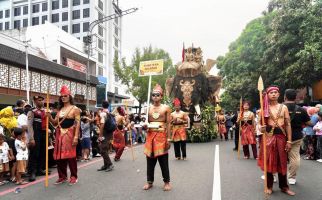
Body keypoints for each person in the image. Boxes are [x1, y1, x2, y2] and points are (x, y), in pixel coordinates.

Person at [258, 86, 295, 196]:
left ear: (279, 94)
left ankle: (284, 186)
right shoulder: (263, 108)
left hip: (281, 138)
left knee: (282, 161)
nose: (273, 94)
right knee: (269, 161)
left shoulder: (284, 108)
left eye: (275, 92)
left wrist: (289, 141)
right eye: (271, 92)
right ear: (267, 95)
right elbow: (260, 126)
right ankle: (269, 186)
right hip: (269, 138)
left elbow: (288, 125)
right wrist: (262, 128)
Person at [47, 85, 81, 185]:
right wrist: (49, 117)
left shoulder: (75, 109)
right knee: (59, 157)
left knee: (71, 157)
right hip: (59, 135)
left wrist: (75, 136)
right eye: (62, 96)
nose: (63, 97)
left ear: (69, 96)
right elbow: (54, 123)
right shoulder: (60, 110)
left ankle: (74, 176)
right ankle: (62, 176)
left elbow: (77, 123)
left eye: (65, 96)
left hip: (69, 134)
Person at [143, 84, 171, 191]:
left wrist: (168, 139)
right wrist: (145, 126)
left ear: (161, 96)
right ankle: (149, 182)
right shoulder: (148, 109)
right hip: (150, 137)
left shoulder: (166, 108)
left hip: (162, 137)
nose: (155, 96)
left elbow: (168, 124)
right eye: (153, 95)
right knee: (150, 161)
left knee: (163, 161)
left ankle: (167, 182)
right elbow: (146, 124)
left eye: (157, 95)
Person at [284, 89, 311, 185]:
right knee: (294, 157)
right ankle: (292, 178)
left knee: (278, 156)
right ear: (295, 98)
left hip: (281, 136)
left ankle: (273, 176)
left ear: (284, 97)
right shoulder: (302, 110)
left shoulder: (280, 108)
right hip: (296, 136)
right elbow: (309, 123)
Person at [27, 96, 47, 182]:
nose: (41, 101)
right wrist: (31, 138)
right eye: (39, 100)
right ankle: (32, 172)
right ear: (35, 101)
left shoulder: (45, 111)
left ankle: (39, 169)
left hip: (44, 133)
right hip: (36, 133)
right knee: (34, 152)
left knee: (42, 151)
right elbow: (29, 126)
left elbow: (48, 122)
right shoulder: (32, 111)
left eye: (42, 100)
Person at [97, 100, 115, 172]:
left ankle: (110, 164)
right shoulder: (109, 113)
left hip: (104, 133)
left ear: (102, 105)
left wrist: (100, 136)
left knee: (102, 149)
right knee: (105, 149)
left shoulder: (103, 114)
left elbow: (102, 125)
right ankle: (106, 165)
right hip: (109, 133)